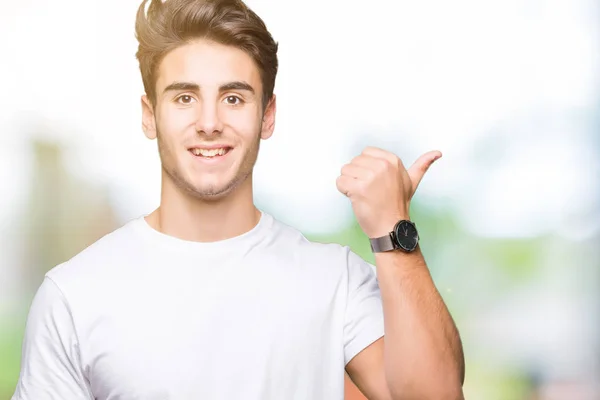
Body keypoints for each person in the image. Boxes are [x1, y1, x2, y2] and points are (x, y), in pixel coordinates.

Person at [11, 0, 465, 399]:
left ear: (267, 116)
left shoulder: (335, 282)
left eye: (233, 98)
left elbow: (437, 396)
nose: (209, 122)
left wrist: (394, 232)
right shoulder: (74, 295)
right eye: (185, 97)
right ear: (150, 116)